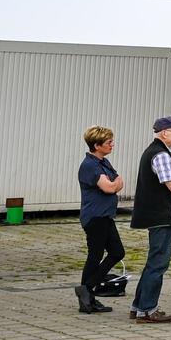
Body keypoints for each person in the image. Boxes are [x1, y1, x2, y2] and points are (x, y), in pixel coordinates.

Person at [129, 116, 171, 323]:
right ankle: (147, 310)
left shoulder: (152, 151)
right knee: (158, 263)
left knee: (153, 262)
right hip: (163, 216)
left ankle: (138, 306)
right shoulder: (161, 154)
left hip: (155, 216)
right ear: (165, 132)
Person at [75, 126, 124, 315]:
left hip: (105, 215)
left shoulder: (104, 162)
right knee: (95, 255)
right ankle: (88, 295)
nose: (112, 145)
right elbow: (110, 187)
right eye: (108, 142)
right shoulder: (90, 165)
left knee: (117, 252)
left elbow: (118, 181)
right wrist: (115, 183)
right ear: (96, 145)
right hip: (95, 217)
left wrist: (116, 183)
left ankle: (87, 290)